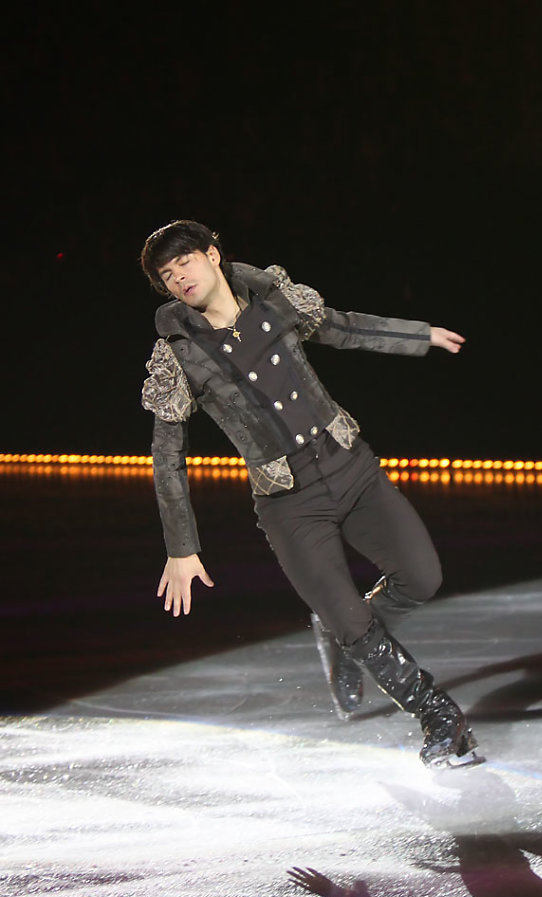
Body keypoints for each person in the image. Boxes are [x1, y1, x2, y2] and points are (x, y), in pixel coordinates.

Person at [140, 219, 478, 768]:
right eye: (166, 275)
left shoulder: (277, 301)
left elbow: (344, 328)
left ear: (212, 255)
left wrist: (418, 336)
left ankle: (345, 633)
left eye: (185, 263)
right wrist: (182, 548)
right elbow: (167, 455)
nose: (179, 278)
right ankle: (440, 717)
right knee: (352, 621)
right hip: (289, 503)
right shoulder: (178, 356)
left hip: (350, 468)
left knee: (423, 578)